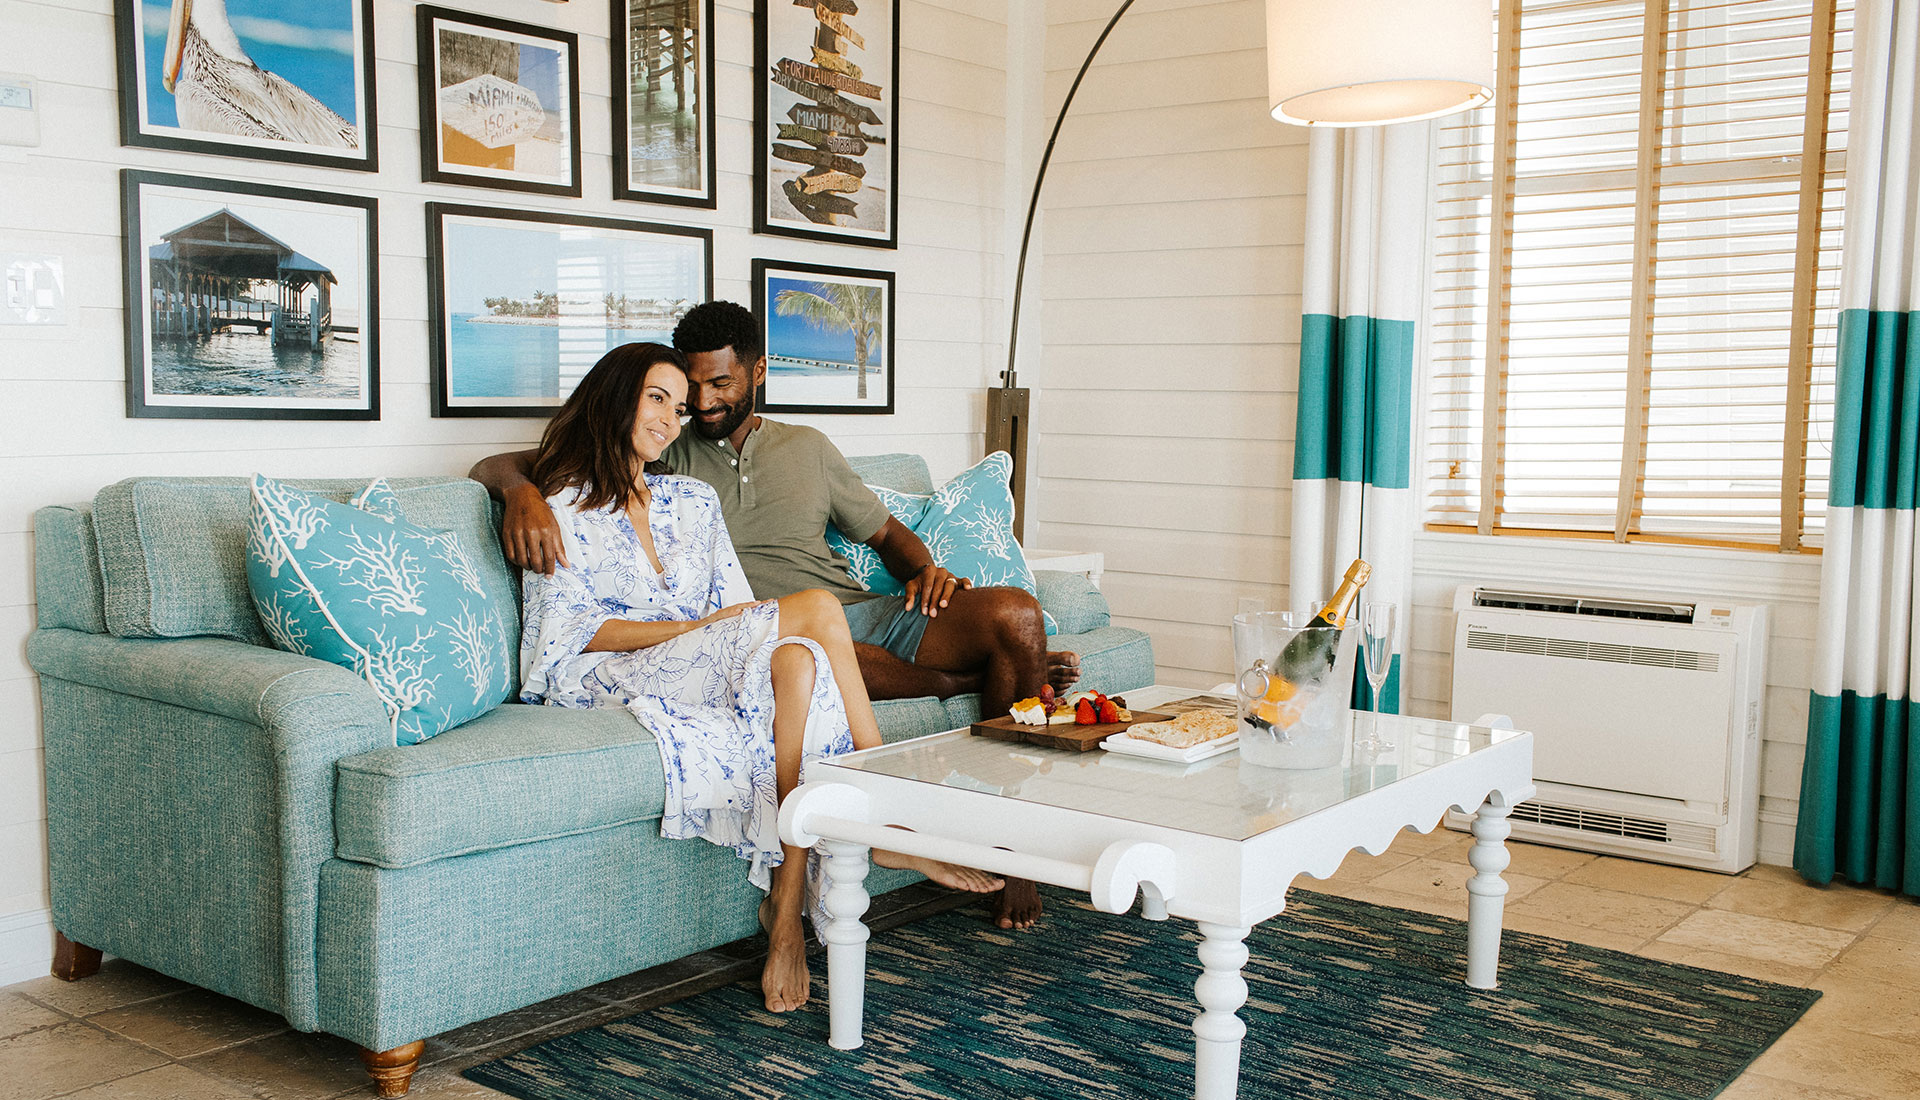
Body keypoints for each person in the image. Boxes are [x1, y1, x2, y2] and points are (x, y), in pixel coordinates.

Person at [473, 303, 1075, 931]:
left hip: (805, 625)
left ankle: (823, 898)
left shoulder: (748, 471)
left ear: (757, 373)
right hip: (685, 647)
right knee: (810, 631)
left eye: (703, 393)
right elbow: (541, 492)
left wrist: (924, 567)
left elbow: (848, 550)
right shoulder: (613, 480)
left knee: (974, 621)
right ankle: (897, 802)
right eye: (673, 395)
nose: (691, 410)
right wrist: (520, 492)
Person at [516, 342, 1001, 1013]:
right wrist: (700, 631)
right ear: (615, 397)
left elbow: (737, 607)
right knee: (818, 610)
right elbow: (571, 635)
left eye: (679, 407)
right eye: (656, 398)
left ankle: (787, 906)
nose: (671, 419)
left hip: (704, 659)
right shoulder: (561, 505)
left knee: (797, 660)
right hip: (607, 674)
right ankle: (888, 813)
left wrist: (722, 629)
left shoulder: (689, 498)